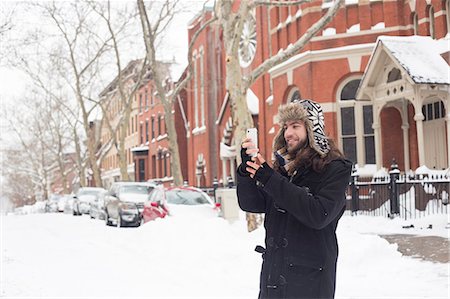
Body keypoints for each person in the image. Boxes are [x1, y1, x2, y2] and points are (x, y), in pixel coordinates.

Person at [236, 99, 352, 299]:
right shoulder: (283, 169)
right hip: (273, 282)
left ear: (312, 129)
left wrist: (270, 179)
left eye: (296, 126)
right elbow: (251, 203)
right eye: (285, 127)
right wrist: (246, 172)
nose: (288, 133)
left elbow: (319, 214)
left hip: (309, 284)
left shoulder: (335, 169)